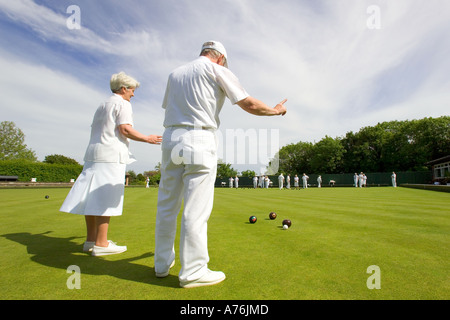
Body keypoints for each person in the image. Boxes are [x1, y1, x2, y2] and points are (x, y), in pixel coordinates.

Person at [154, 41, 287, 288]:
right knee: (196, 208)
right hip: (199, 137)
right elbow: (249, 104)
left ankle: (161, 264)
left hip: (171, 138)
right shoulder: (216, 70)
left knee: (166, 205)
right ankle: (193, 272)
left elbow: (169, 106)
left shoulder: (175, 73)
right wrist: (276, 111)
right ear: (221, 58)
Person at [60, 72, 162, 256]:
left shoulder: (102, 105)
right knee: (104, 198)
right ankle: (101, 244)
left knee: (91, 197)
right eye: (132, 90)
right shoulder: (123, 104)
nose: (133, 94)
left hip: (93, 155)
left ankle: (91, 240)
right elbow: (125, 129)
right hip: (110, 156)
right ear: (123, 88)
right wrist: (148, 138)